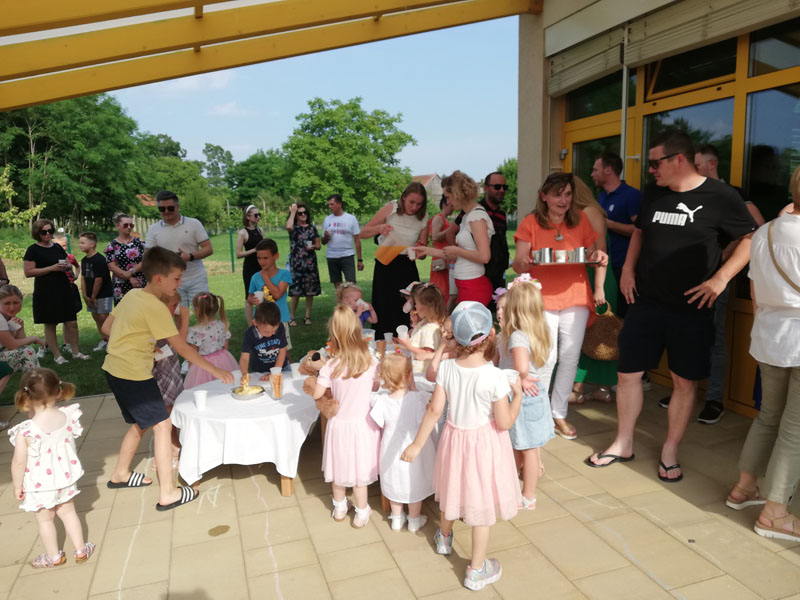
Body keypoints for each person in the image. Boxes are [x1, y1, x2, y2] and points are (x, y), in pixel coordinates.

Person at [586, 131, 757, 482]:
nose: (650, 170)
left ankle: (669, 450)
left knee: (683, 381)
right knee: (627, 374)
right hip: (646, 301)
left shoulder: (720, 196)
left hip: (691, 308)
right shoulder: (654, 192)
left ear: (679, 159)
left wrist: (721, 279)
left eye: (654, 163)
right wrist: (628, 270)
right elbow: (640, 231)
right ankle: (623, 442)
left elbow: (752, 237)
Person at [101, 247, 233, 510]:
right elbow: (182, 348)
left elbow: (106, 327)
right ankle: (168, 492)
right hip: (134, 374)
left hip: (114, 368)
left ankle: (121, 473)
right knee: (163, 425)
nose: (179, 283)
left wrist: (134, 341)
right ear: (159, 279)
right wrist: (216, 371)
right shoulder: (156, 307)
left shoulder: (132, 295)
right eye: (176, 278)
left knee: (141, 423)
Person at [401, 301, 522, 591]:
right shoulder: (495, 376)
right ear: (491, 334)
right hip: (484, 446)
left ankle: (444, 537)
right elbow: (504, 423)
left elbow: (434, 411)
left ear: (454, 336)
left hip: (455, 441)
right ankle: (476, 570)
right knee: (481, 508)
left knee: (453, 490)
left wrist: (417, 445)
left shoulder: (446, 368)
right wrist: (517, 396)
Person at [725, 166, 800, 542]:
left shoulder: (765, 232)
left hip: (769, 337)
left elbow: (755, 291)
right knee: (795, 427)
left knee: (769, 416)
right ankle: (774, 514)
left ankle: (744, 488)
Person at [668, 144, 767, 424]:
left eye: (697, 164)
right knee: (685, 335)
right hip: (686, 278)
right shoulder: (690, 193)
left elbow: (758, 228)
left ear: (711, 164)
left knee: (715, 340)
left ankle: (714, 399)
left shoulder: (732, 194)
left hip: (715, 281)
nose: (693, 169)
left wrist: (727, 253)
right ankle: (682, 393)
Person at [511, 172, 608, 440]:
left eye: (567, 194)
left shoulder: (581, 221)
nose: (564, 200)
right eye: (557, 195)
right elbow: (518, 263)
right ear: (544, 196)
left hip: (576, 296)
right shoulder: (530, 222)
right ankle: (537, 408)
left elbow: (595, 255)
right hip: (541, 298)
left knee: (570, 357)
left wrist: (598, 262)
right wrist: (524, 262)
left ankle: (558, 413)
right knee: (546, 357)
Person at [9, 368, 95, 568]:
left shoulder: (27, 430)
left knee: (45, 521)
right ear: (59, 391)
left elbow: (18, 462)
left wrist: (17, 486)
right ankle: (81, 550)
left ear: (27, 396)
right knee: (69, 512)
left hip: (39, 484)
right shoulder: (67, 416)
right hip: (64, 477)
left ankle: (54, 556)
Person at [312, 305, 381, 528]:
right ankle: (361, 512)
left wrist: (321, 377)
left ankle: (340, 508)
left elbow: (317, 394)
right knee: (360, 473)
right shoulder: (371, 362)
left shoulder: (330, 366)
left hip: (339, 425)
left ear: (334, 334)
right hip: (362, 425)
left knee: (339, 470)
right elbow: (377, 386)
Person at [496, 275, 554, 509]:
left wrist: (521, 376)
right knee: (527, 447)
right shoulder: (539, 330)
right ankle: (523, 492)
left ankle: (527, 495)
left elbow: (520, 367)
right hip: (535, 396)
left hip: (521, 398)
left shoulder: (517, 336)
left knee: (525, 447)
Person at [369, 352, 434, 532]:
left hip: (391, 446)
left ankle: (396, 518)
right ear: (408, 375)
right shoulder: (418, 397)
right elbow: (423, 418)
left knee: (394, 479)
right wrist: (413, 386)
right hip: (413, 444)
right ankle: (414, 519)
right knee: (415, 479)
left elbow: (380, 422)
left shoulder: (382, 401)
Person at [571, 176, 618, 404]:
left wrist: (598, 288)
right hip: (587, 278)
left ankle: (580, 388)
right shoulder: (580, 213)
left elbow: (600, 252)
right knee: (593, 334)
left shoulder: (589, 211)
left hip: (598, 278)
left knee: (599, 334)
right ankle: (601, 388)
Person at [360, 182, 429, 338]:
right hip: (386, 261)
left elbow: (423, 252)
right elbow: (363, 233)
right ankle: (382, 341)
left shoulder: (424, 217)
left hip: (407, 265)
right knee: (384, 305)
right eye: (411, 202)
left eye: (419, 204)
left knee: (408, 305)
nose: (414, 207)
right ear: (403, 197)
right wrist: (379, 228)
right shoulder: (391, 208)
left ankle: (407, 340)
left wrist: (421, 249)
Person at [416, 171, 495, 307]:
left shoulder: (476, 217)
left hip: (473, 285)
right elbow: (456, 254)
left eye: (448, 197)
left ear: (458, 193)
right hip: (465, 283)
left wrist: (457, 251)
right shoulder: (467, 216)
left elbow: (484, 256)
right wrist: (426, 250)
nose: (448, 202)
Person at [23, 219, 84, 365]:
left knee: (72, 322)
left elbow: (66, 262)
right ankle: (57, 356)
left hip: (64, 288)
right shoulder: (33, 250)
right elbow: (28, 272)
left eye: (50, 231)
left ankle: (76, 353)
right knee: (50, 324)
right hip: (46, 290)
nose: (47, 234)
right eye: (44, 232)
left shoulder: (57, 247)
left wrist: (68, 267)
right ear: (37, 233)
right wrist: (51, 268)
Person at [590, 151, 641, 318]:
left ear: (608, 170)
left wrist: (608, 224)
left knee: (626, 316)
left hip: (624, 268)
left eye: (595, 170)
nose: (592, 174)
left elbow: (639, 230)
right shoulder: (601, 197)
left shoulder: (632, 195)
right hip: (606, 267)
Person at [145, 190, 213, 307]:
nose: (166, 211)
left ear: (178, 206)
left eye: (170, 208)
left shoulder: (194, 223)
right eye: (162, 209)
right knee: (177, 314)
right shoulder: (153, 229)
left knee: (203, 312)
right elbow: (148, 255)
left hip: (196, 278)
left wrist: (190, 257)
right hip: (170, 281)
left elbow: (208, 249)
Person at [151, 291, 187, 466]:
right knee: (167, 408)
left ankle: (172, 445)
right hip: (162, 371)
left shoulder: (164, 319)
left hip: (169, 368)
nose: (176, 308)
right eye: (173, 305)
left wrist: (178, 320)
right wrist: (185, 320)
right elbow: (182, 344)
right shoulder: (157, 322)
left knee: (171, 406)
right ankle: (172, 446)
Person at [247, 238, 293, 352]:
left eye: (265, 258)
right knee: (262, 352)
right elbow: (249, 296)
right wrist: (252, 300)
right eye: (259, 258)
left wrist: (266, 277)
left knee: (283, 352)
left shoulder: (284, 274)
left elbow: (277, 294)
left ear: (276, 256)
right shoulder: (255, 277)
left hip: (280, 319)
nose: (261, 262)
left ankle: (286, 365)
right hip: (260, 320)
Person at [184, 292, 238, 388]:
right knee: (225, 384)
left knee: (205, 387)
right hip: (223, 360)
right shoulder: (221, 325)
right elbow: (226, 344)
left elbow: (193, 353)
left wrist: (190, 367)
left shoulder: (195, 331)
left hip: (203, 365)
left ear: (196, 310)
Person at [0, 285, 43, 396]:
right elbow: (12, 345)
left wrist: (19, 328)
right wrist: (34, 338)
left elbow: (20, 343)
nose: (12, 307)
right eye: (7, 303)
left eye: (16, 303)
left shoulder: (8, 318)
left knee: (26, 352)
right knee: (27, 352)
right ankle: (36, 392)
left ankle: (35, 392)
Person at [394, 283, 446, 374]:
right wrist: (415, 323)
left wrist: (408, 345)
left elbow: (426, 353)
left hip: (423, 373)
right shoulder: (425, 322)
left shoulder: (430, 329)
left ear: (426, 307)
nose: (415, 306)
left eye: (416, 303)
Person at [286, 202, 322, 326]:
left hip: (310, 264)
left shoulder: (312, 228)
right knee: (295, 292)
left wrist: (313, 247)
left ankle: (307, 316)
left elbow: (319, 245)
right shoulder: (293, 228)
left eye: (304, 212)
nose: (303, 215)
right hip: (296, 264)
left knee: (310, 292)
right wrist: (292, 212)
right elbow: (288, 226)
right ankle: (291, 318)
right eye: (300, 213)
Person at [79, 232, 113, 352]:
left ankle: (113, 341)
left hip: (103, 294)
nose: (80, 245)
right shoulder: (84, 260)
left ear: (92, 244)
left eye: (83, 243)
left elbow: (99, 280)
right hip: (90, 296)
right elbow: (83, 278)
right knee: (96, 316)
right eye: (80, 243)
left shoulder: (99, 259)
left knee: (103, 317)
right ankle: (104, 340)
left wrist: (93, 296)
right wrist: (85, 295)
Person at [239, 301, 288, 384]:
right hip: (259, 371)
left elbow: (282, 351)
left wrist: (274, 372)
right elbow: (244, 357)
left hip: (280, 368)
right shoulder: (250, 334)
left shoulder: (280, 327)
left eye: (274, 330)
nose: (271, 334)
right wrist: (244, 373)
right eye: (266, 331)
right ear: (255, 323)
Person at [481, 171, 511, 306]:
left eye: (505, 187)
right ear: (486, 188)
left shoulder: (501, 214)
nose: (502, 190)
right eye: (497, 187)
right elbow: (452, 232)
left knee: (499, 308)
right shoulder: (475, 211)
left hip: (499, 271)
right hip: (481, 270)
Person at [105, 212, 146, 306]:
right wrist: (129, 277)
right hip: (120, 286)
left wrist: (131, 272)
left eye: (131, 225)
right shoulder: (112, 246)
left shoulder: (140, 243)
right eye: (126, 225)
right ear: (118, 226)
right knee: (122, 311)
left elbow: (146, 261)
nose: (129, 227)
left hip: (139, 283)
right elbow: (111, 266)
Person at [321, 194, 362, 287]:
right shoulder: (327, 219)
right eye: (329, 204)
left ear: (339, 204)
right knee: (337, 285)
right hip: (332, 256)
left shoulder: (351, 219)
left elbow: (357, 240)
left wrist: (360, 260)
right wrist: (326, 236)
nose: (329, 207)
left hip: (347, 255)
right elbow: (323, 242)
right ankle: (339, 297)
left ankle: (350, 297)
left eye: (332, 204)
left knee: (351, 283)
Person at [235, 205, 264, 326]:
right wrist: (254, 250)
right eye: (256, 215)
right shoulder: (243, 233)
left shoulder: (260, 230)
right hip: (249, 268)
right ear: (248, 217)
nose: (258, 217)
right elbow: (238, 254)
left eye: (259, 215)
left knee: (262, 296)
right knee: (250, 297)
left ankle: (261, 322)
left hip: (261, 267)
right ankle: (250, 325)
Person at [428, 194, 454, 304]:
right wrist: (451, 229)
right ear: (444, 205)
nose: (453, 208)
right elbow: (435, 236)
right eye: (451, 206)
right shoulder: (438, 218)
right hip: (439, 257)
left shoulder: (445, 219)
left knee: (447, 286)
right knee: (440, 287)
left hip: (446, 256)